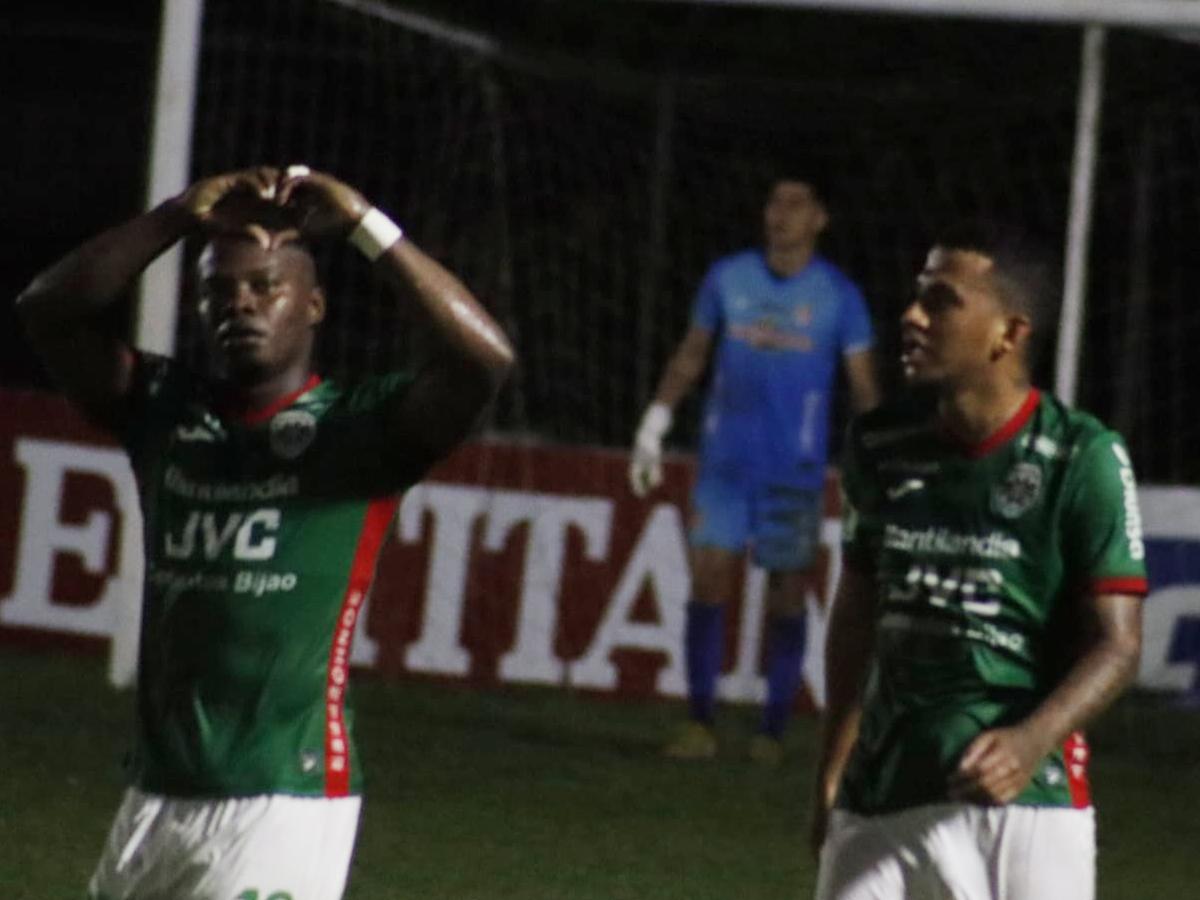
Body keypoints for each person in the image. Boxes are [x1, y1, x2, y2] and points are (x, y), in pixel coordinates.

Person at [16, 165, 514, 900]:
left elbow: (483, 358)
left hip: (283, 800)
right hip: (156, 795)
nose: (238, 305)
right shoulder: (163, 409)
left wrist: (366, 228)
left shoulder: (359, 430)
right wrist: (180, 217)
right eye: (219, 290)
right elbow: (47, 309)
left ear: (312, 305)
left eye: (263, 287)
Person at [810, 222, 1146, 900]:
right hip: (882, 795)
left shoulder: (1082, 457)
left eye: (941, 301)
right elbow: (856, 614)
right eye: (915, 297)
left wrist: (1029, 742)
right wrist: (832, 766)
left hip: (1029, 810)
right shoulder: (881, 444)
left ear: (1008, 333)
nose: (912, 316)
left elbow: (1118, 646)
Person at [629, 173, 879, 764]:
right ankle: (699, 721)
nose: (781, 214)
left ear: (820, 218)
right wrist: (654, 424)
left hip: (794, 473)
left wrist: (876, 459)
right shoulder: (729, 278)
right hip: (725, 465)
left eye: (796, 203)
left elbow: (864, 386)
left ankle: (771, 729)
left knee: (788, 595)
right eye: (774, 201)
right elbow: (693, 352)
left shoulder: (839, 297)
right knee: (710, 580)